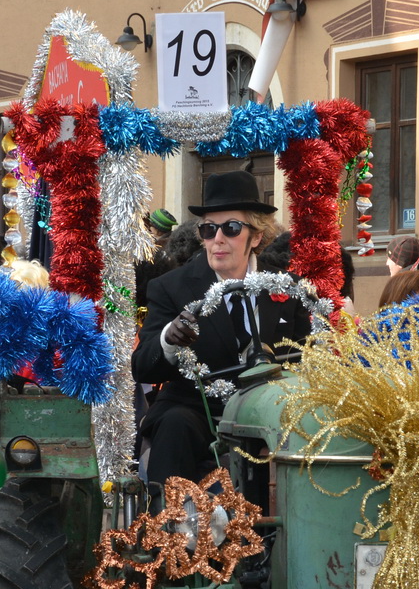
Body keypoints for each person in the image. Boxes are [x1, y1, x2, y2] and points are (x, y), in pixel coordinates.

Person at [134, 171, 312, 486]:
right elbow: (143, 367)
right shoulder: (171, 287)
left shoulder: (287, 288)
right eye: (208, 229)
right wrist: (168, 340)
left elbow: (304, 358)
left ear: (256, 236)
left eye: (230, 228)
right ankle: (166, 528)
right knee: (175, 424)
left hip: (269, 413)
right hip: (194, 412)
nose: (217, 239)